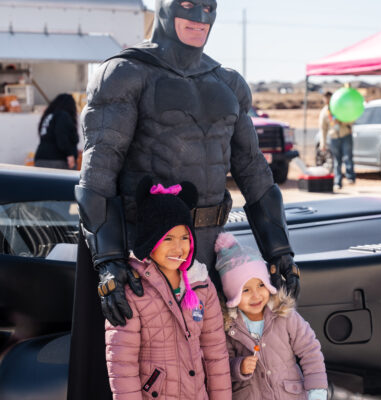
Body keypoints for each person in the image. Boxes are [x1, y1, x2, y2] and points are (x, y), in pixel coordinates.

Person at [68, 1, 299, 399]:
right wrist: (108, 263)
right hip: (145, 257)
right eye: (188, 5)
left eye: (209, 6)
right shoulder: (125, 73)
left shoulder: (228, 82)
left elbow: (255, 174)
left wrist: (279, 249)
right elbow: (98, 176)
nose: (200, 16)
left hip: (208, 255)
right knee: (147, 372)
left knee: (214, 365)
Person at [105, 177, 231, 399]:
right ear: (150, 242)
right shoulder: (133, 289)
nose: (178, 247)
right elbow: (122, 364)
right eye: (168, 239)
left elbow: (216, 354)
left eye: (184, 237)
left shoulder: (201, 283)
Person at [215, 232, 328, 400]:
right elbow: (223, 365)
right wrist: (239, 367)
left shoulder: (285, 317)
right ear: (233, 296)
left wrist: (317, 392)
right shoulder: (230, 328)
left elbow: (310, 350)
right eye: (245, 290)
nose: (256, 295)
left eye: (261, 285)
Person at [319, 91, 356, 190]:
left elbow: (351, 119)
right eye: (325, 98)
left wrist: (342, 121)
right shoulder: (324, 112)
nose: (327, 100)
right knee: (337, 160)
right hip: (334, 137)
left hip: (345, 134)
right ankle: (338, 182)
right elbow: (323, 129)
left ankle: (350, 177)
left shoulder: (340, 108)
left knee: (348, 157)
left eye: (329, 98)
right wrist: (323, 143)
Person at [34, 93, 79, 169]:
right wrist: (70, 154)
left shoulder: (49, 116)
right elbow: (61, 137)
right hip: (57, 160)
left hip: (40, 159)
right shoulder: (63, 115)